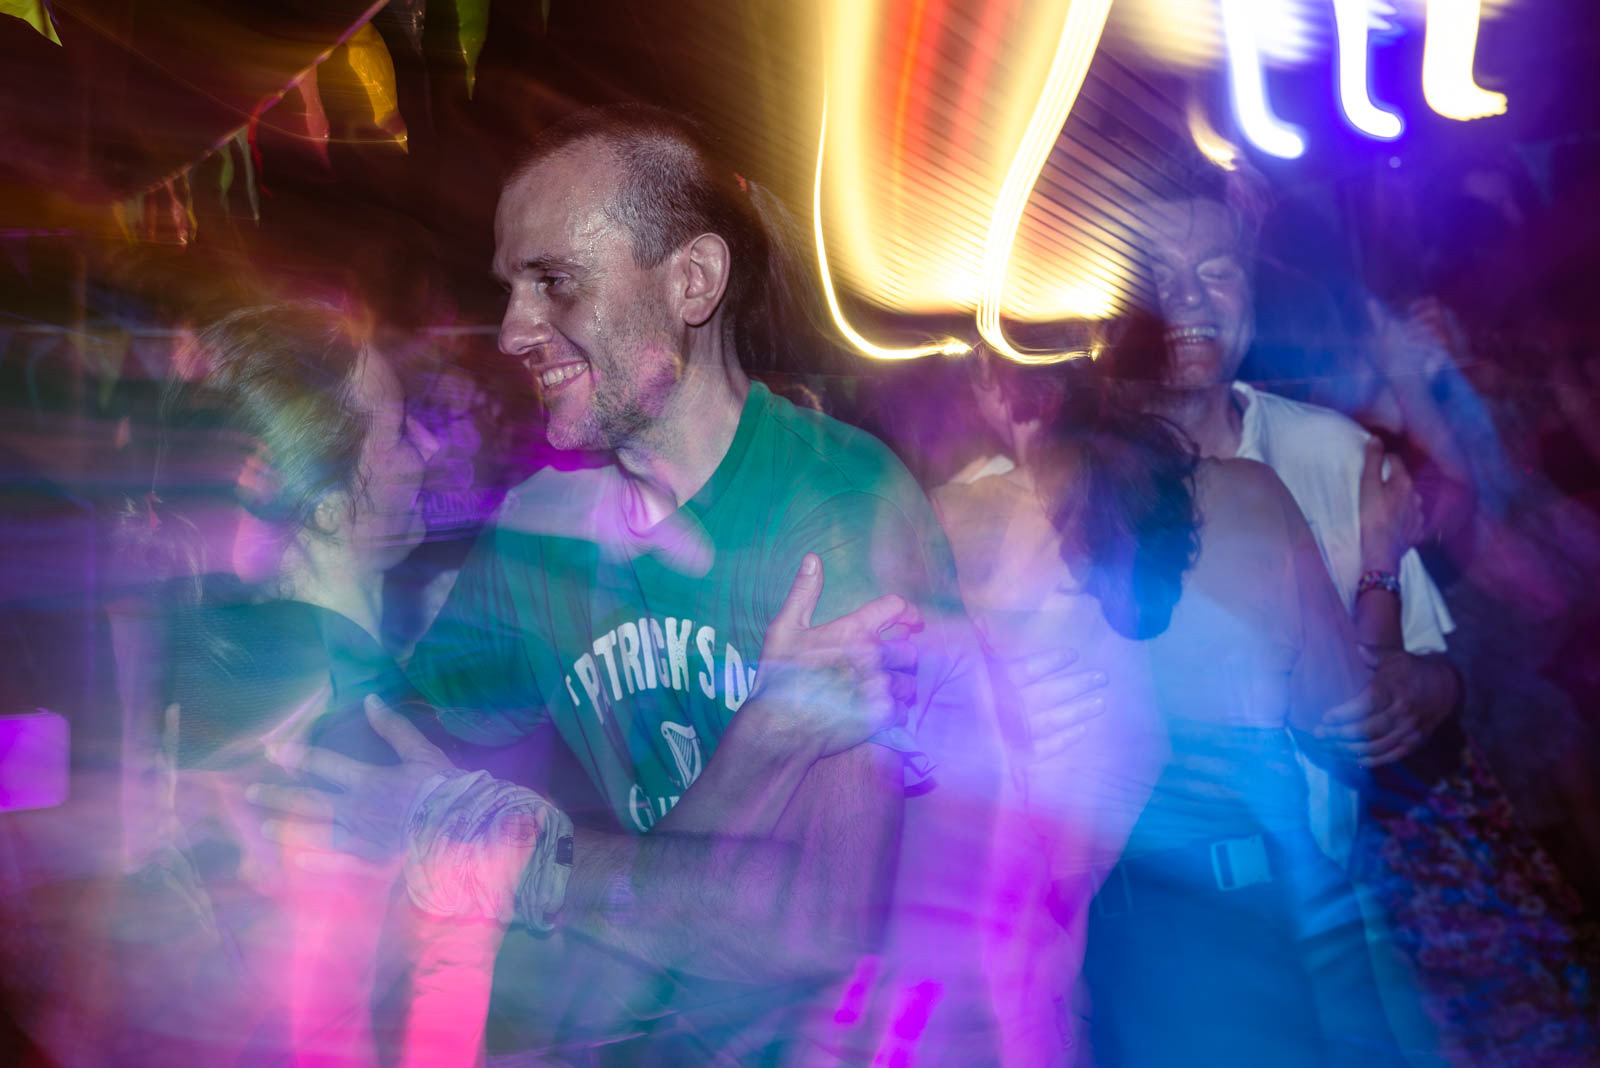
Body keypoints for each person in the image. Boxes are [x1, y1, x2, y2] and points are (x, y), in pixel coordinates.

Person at [255, 104, 1005, 1064]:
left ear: (692, 281)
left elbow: (808, 926)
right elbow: (382, 762)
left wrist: (528, 865)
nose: (513, 330)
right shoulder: (541, 529)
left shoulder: (836, 512)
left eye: (555, 283)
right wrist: (321, 572)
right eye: (511, 288)